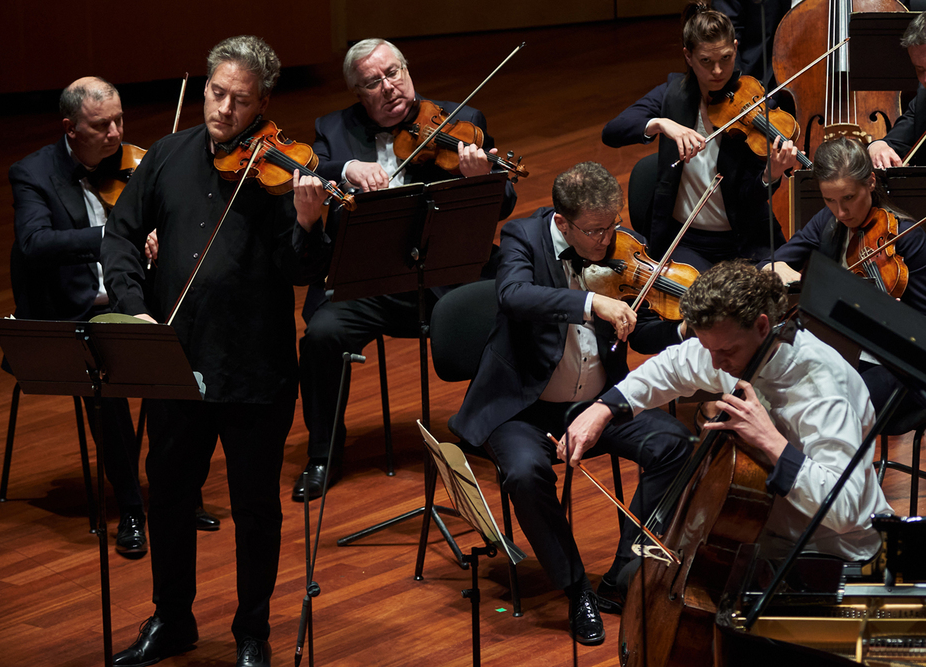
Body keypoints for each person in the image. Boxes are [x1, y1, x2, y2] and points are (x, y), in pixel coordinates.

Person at [102, 36, 332, 667]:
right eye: (216, 93)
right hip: (174, 360)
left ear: (263, 104)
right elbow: (120, 234)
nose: (224, 110)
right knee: (170, 497)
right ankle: (172, 620)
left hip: (253, 368)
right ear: (204, 86)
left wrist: (309, 223)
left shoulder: (285, 172)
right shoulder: (167, 156)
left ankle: (251, 632)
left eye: (241, 100)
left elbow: (299, 269)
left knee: (256, 508)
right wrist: (133, 304)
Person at [449, 162, 693, 646]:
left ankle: (623, 573)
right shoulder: (523, 237)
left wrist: (680, 330)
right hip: (524, 406)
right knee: (522, 473)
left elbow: (637, 327)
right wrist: (589, 303)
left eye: (613, 226)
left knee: (675, 443)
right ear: (564, 223)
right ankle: (576, 587)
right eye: (596, 231)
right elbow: (515, 295)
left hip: (598, 401)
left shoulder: (622, 248)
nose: (608, 240)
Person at [566, 261, 893, 581]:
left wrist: (771, 441)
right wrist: (604, 408)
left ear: (763, 326)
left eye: (726, 351)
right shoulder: (729, 349)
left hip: (836, 556)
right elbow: (674, 364)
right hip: (762, 541)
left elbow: (846, 509)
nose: (716, 363)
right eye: (709, 348)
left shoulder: (822, 388)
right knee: (633, 578)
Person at [294, 37, 518, 501]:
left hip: (445, 275)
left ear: (407, 69)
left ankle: (495, 430)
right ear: (359, 93)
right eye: (373, 82)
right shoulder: (333, 129)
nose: (389, 87)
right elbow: (314, 169)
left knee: (511, 305)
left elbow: (504, 202)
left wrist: (481, 180)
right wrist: (348, 168)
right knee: (320, 336)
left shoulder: (461, 123)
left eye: (394, 73)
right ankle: (323, 453)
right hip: (369, 284)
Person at [9, 76, 148, 557]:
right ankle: (132, 509)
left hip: (132, 303)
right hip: (72, 318)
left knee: (188, 366)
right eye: (101, 126)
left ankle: (177, 494)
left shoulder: (134, 165)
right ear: (71, 128)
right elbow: (33, 244)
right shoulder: (32, 174)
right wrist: (109, 236)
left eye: (119, 120)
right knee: (106, 387)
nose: (115, 134)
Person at [602, 2, 797, 271]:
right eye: (706, 61)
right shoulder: (673, 96)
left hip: (744, 241)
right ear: (689, 56)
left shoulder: (755, 106)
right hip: (688, 242)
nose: (717, 71)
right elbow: (612, 131)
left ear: (736, 48)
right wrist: (661, 124)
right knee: (699, 303)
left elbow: (748, 201)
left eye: (725, 58)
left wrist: (770, 175)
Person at [763, 136, 926, 422]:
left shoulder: (908, 238)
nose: (841, 212)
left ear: (871, 182)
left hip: (897, 366)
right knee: (772, 388)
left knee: (829, 408)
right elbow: (773, 261)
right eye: (830, 200)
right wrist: (774, 266)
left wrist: (894, 316)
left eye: (849, 198)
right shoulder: (827, 222)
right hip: (840, 354)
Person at [868, 11, 926, 169]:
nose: (925, 79)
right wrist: (877, 147)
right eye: (920, 70)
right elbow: (893, 142)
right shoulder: (923, 97)